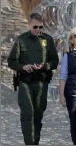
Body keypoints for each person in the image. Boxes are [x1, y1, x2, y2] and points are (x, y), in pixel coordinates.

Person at [7, 12, 59, 145]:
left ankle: (35, 141)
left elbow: (54, 61)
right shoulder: (21, 40)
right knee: (27, 112)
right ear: (29, 25)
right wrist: (23, 67)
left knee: (38, 114)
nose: (38, 30)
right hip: (25, 81)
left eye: (41, 27)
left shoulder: (48, 40)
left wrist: (45, 66)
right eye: (35, 27)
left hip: (42, 81)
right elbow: (11, 61)